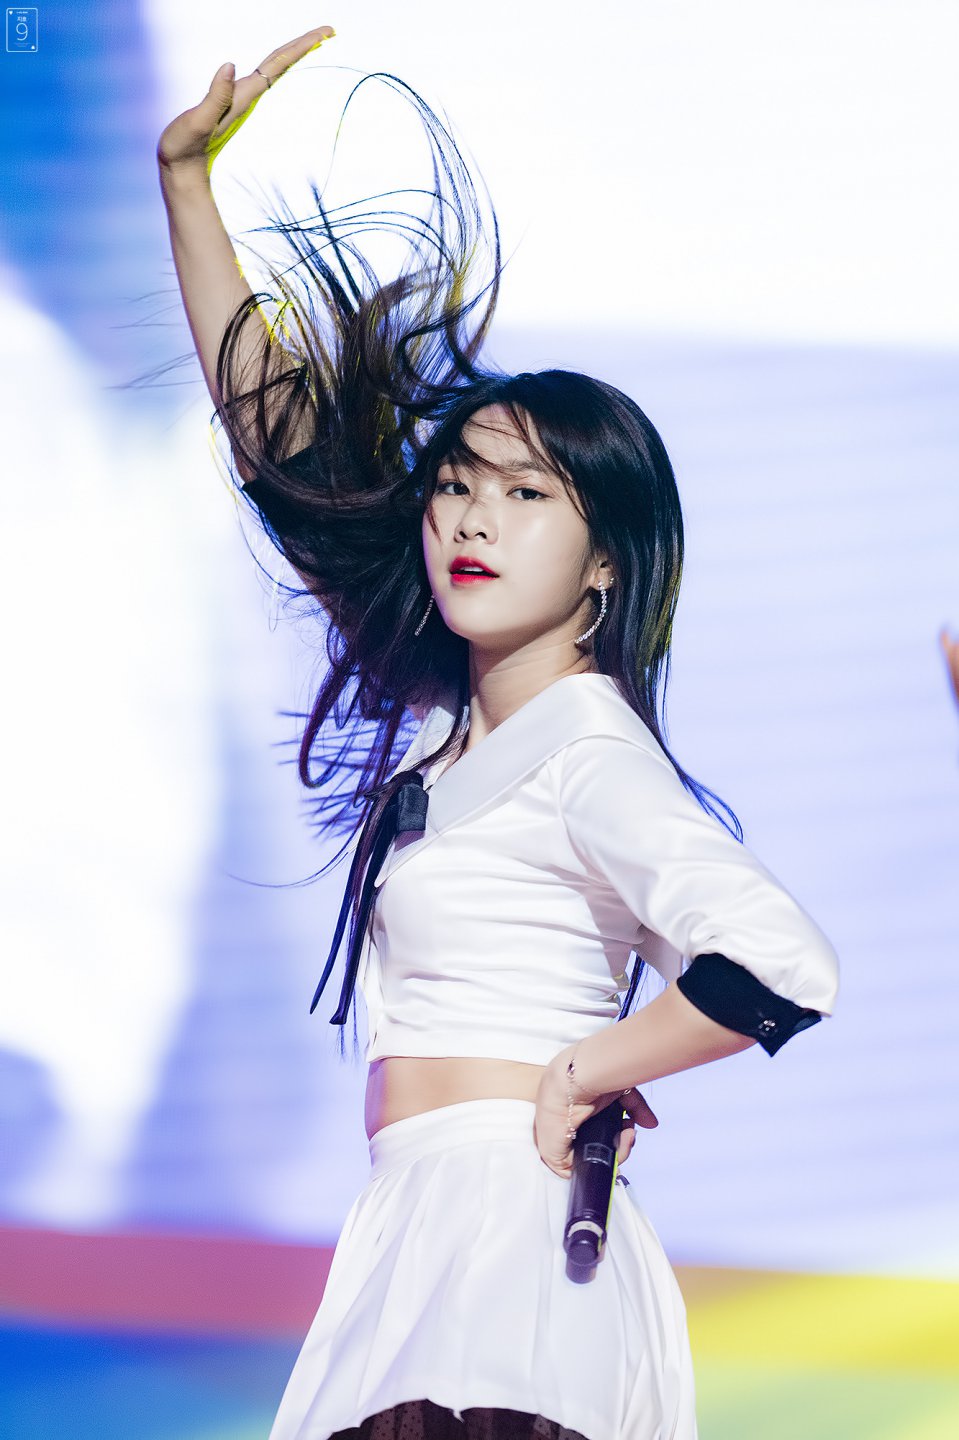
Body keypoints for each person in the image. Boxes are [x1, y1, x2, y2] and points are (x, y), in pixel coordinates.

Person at [157, 26, 840, 1440]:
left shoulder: (585, 750)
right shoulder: (459, 739)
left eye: (527, 496)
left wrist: (588, 1070)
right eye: (459, 484)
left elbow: (780, 962)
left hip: (511, 1252)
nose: (473, 516)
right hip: (421, 1231)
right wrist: (188, 190)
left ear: (605, 565)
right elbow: (290, 459)